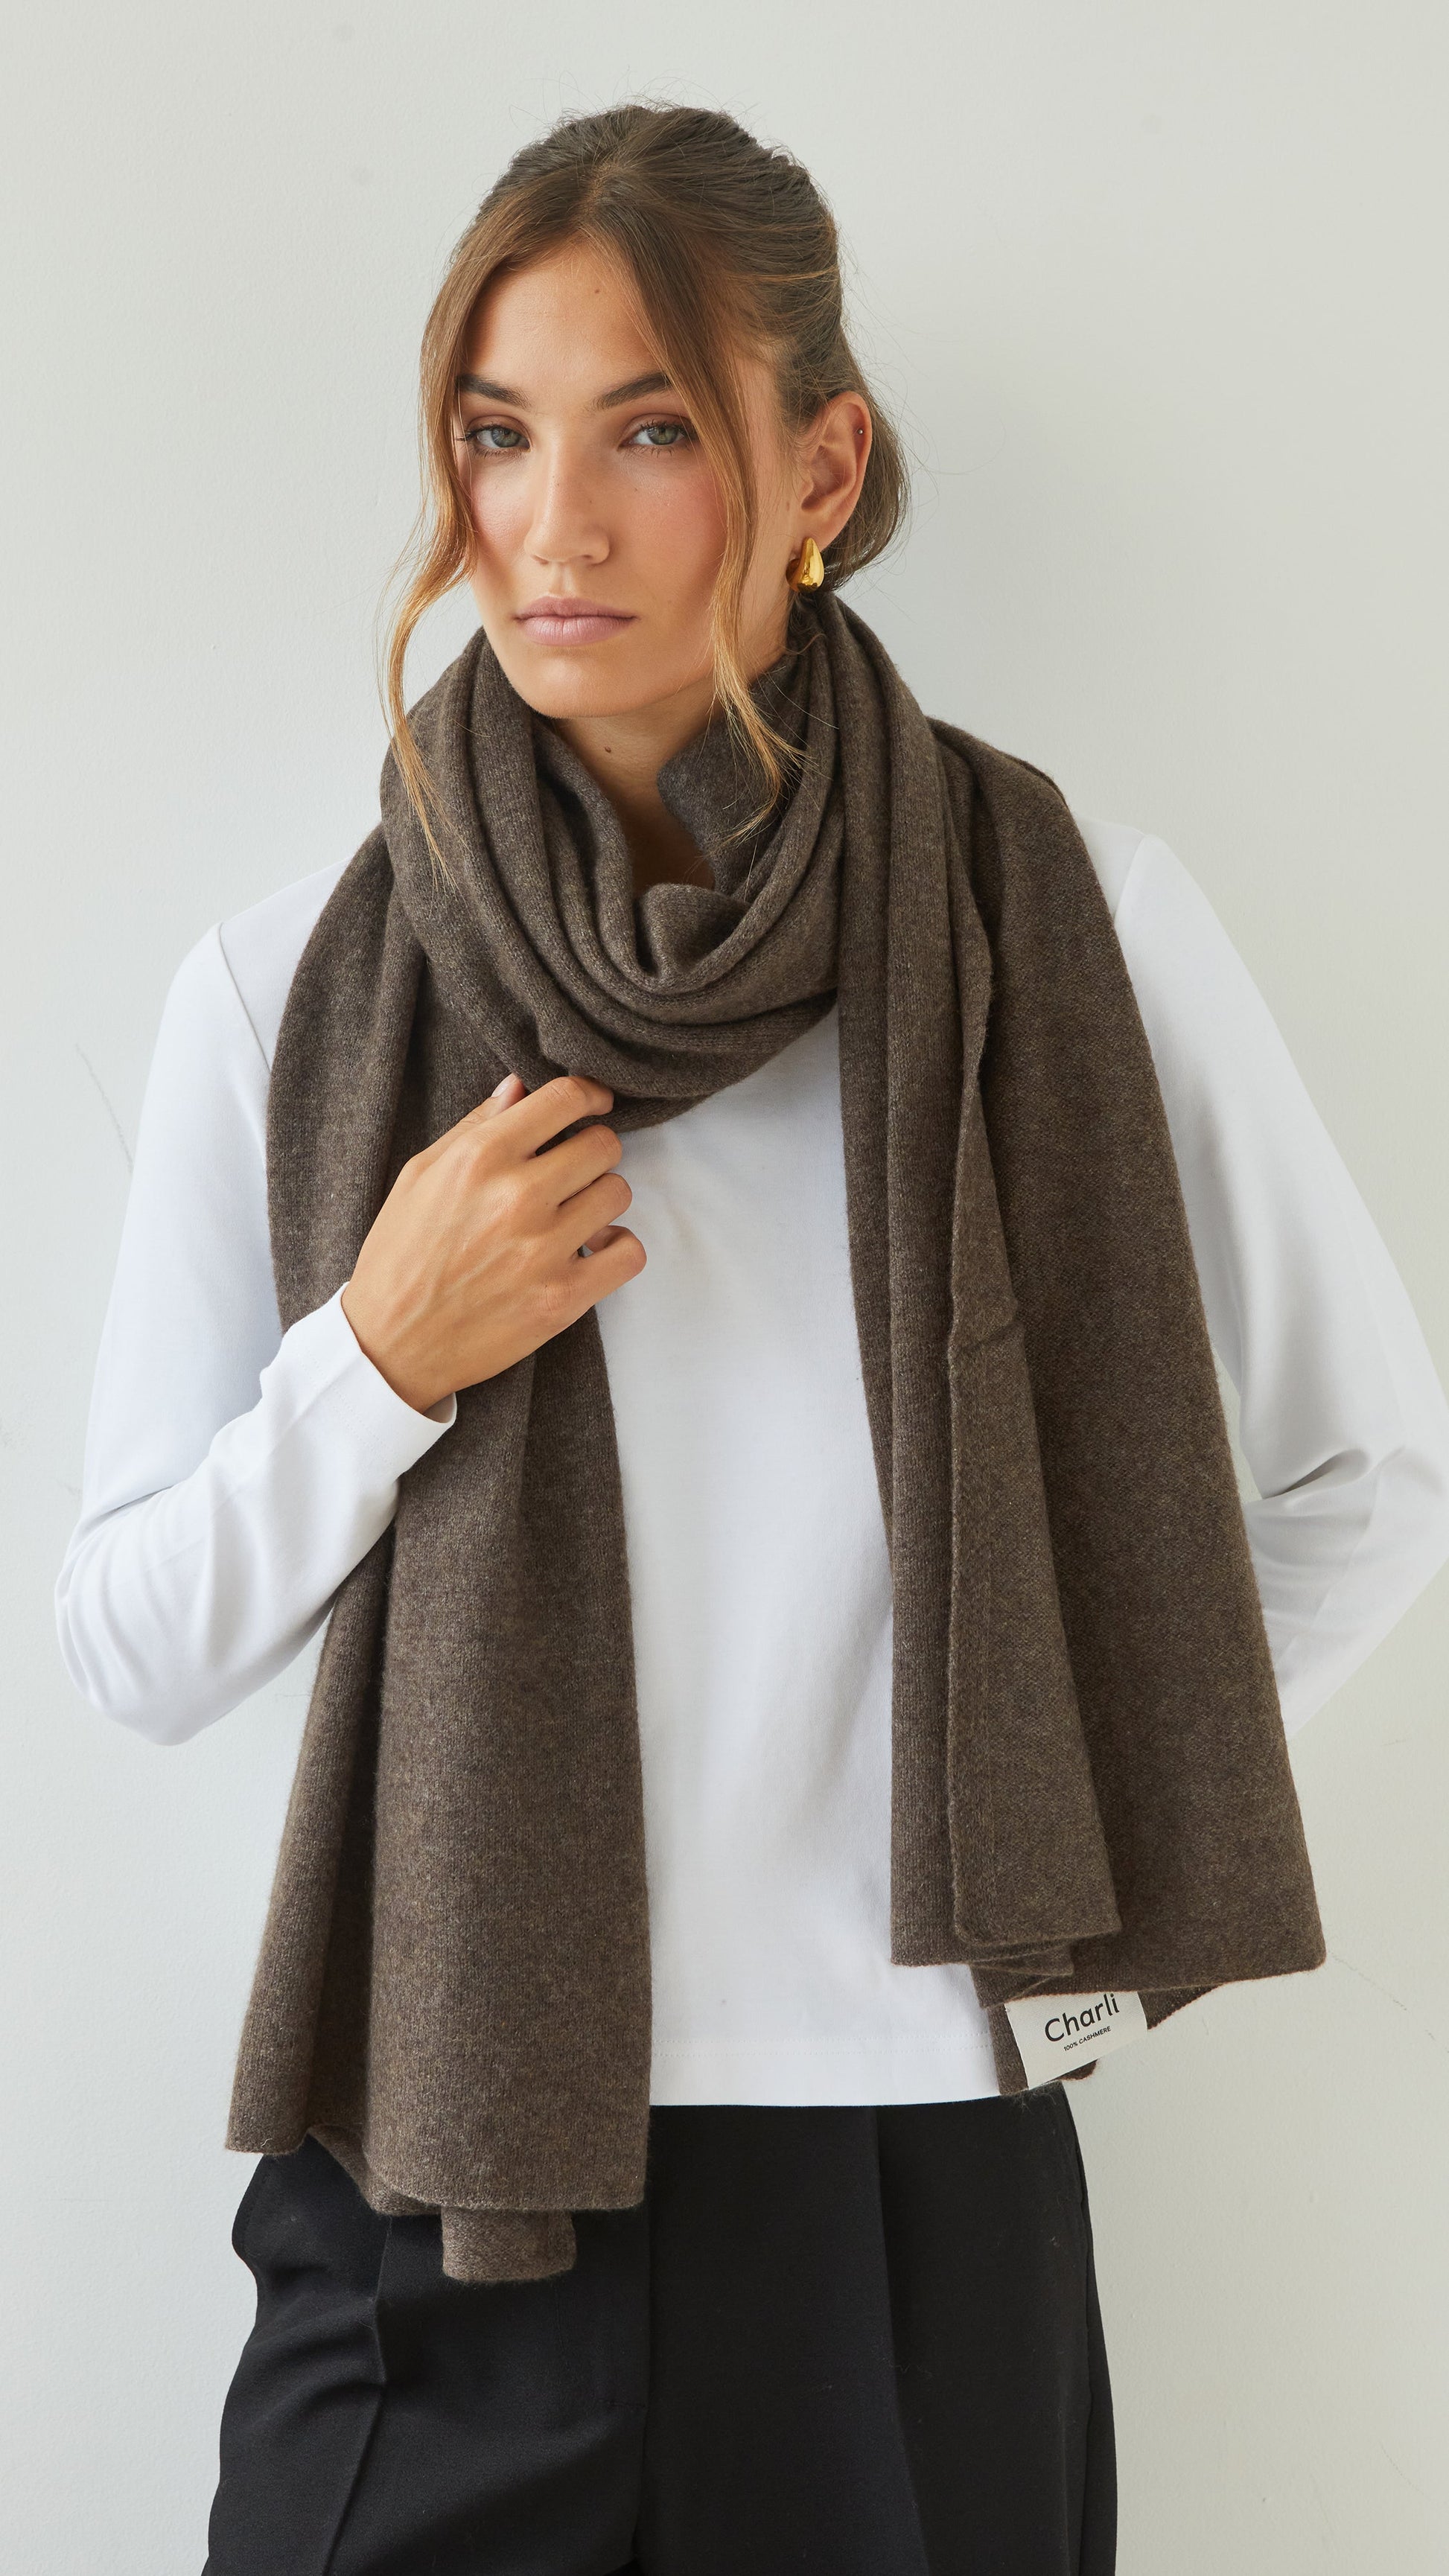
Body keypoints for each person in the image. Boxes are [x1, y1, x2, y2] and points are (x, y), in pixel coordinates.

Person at [56, 101, 1449, 2576]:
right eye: (495, 434)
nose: (552, 527)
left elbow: (1370, 1474)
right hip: (440, 2186)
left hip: (910, 2191)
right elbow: (132, 1640)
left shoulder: (1062, 928)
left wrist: (1075, 1798)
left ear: (820, 466)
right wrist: (380, 1350)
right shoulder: (288, 987)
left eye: (649, 431)